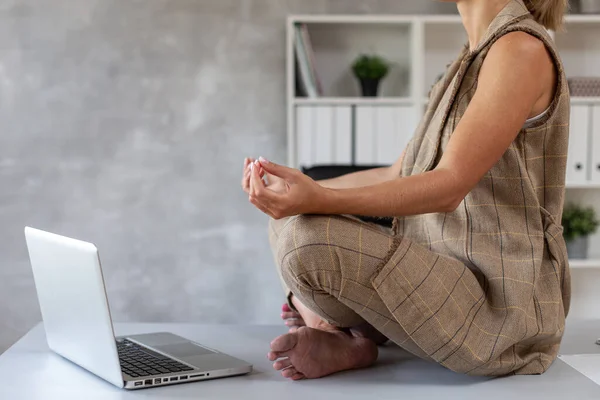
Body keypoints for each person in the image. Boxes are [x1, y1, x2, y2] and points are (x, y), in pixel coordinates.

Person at [241, 0, 570, 380]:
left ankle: (335, 328)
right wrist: (298, 191)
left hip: (498, 313)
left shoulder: (520, 49)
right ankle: (339, 334)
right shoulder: (465, 64)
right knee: (289, 219)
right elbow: (398, 172)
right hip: (437, 275)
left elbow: (449, 186)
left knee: (305, 239)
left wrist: (320, 200)